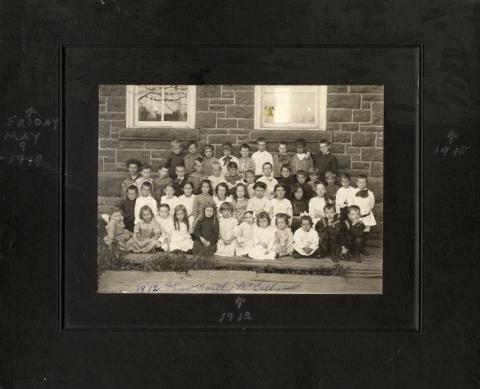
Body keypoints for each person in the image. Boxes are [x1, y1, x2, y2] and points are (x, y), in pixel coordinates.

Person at [352, 174, 376, 255]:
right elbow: (351, 205)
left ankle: (363, 248)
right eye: (360, 182)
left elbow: (372, 205)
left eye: (364, 182)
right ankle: (356, 250)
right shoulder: (353, 192)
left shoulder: (370, 193)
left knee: (365, 233)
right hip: (357, 218)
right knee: (358, 234)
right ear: (356, 183)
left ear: (366, 183)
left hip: (367, 217)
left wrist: (366, 212)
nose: (362, 184)